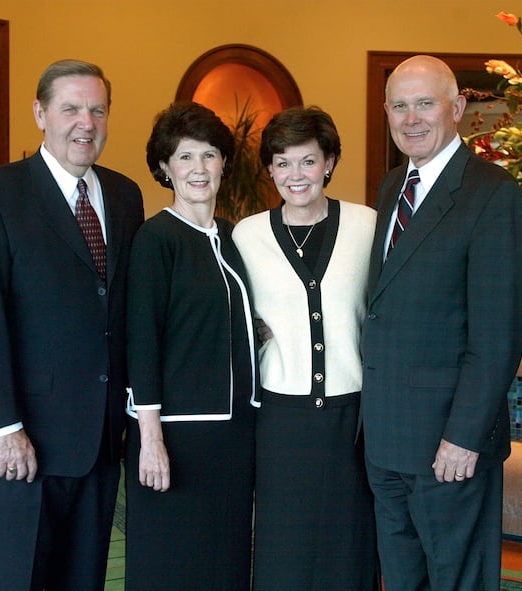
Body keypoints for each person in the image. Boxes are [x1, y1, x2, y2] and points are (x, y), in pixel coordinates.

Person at [0, 59, 144, 590]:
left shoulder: (125, 197)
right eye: (71, 108)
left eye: (98, 110)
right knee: (23, 578)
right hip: (26, 441)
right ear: (40, 113)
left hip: (102, 441)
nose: (86, 122)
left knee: (85, 579)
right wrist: (2, 428)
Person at [360, 55, 522, 590]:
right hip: (386, 438)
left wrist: (463, 437)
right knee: (403, 578)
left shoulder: (492, 193)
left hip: (447, 446)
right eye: (399, 105)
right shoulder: (393, 185)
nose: (411, 118)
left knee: (458, 581)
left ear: (457, 108)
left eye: (425, 103)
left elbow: (498, 333)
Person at [232, 106, 378, 590]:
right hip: (280, 420)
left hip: (351, 418)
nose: (296, 175)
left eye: (308, 161)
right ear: (269, 169)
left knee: (350, 545)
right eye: (283, 162)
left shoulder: (367, 226)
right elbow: (229, 317)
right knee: (284, 549)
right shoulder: (246, 235)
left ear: (330, 161)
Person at [124, 101, 257, 591]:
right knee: (171, 565)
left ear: (223, 162)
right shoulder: (156, 239)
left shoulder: (234, 236)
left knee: (224, 563)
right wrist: (150, 440)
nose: (198, 169)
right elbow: (143, 342)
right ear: (164, 167)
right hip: (177, 437)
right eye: (184, 157)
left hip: (235, 434)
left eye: (208, 155)